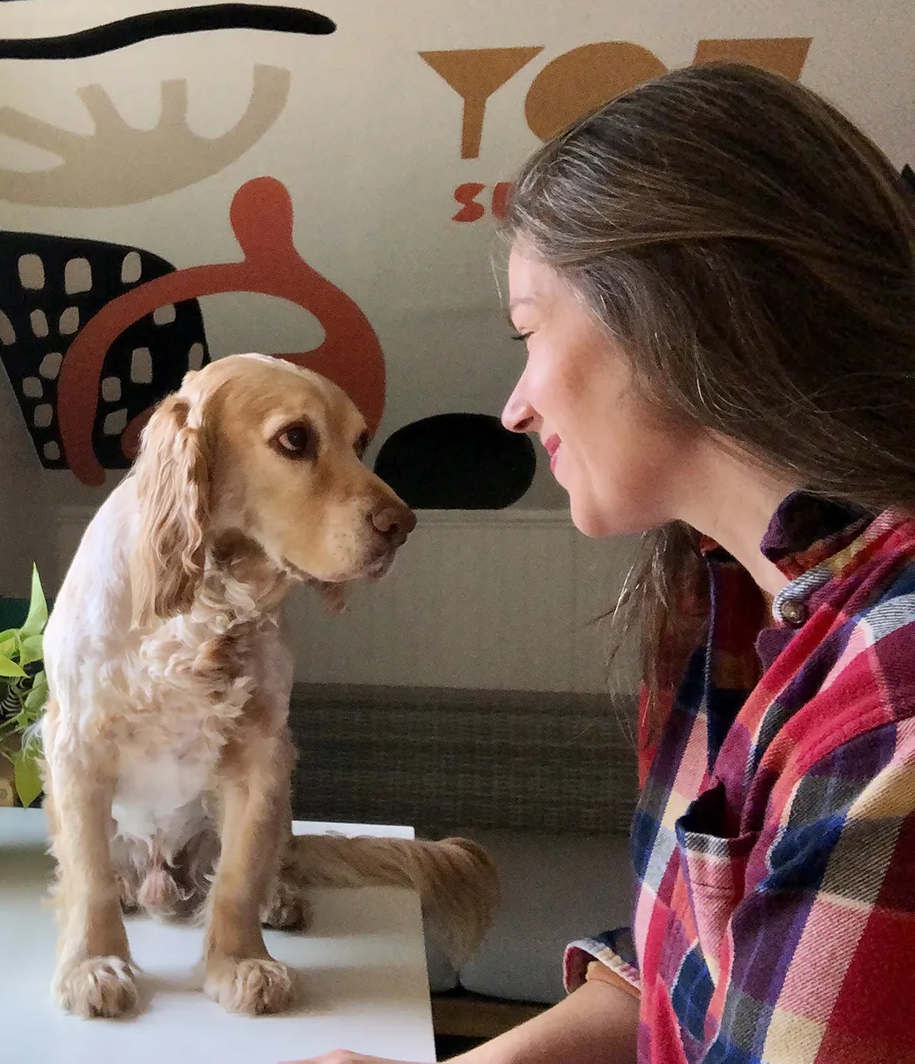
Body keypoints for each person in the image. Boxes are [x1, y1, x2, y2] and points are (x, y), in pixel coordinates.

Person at [281, 61, 915, 1064]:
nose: (515, 406)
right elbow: (692, 986)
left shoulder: (892, 699)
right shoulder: (720, 607)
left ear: (680, 313)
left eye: (531, 332)